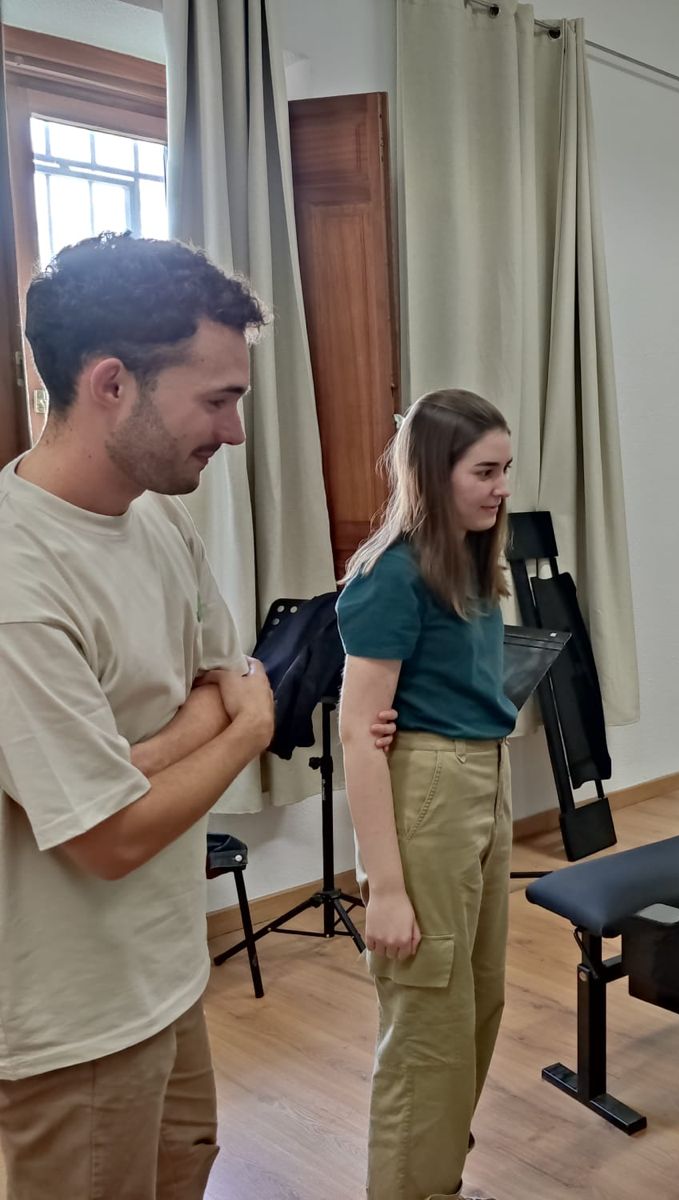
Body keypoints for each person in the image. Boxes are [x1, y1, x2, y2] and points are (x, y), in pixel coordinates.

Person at [0, 233, 276, 1200]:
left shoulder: (160, 518)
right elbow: (110, 838)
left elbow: (225, 669)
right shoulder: (17, 579)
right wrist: (239, 732)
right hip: (72, 1022)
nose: (234, 432)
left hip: (166, 971)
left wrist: (127, 757)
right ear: (112, 384)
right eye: (218, 399)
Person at [337, 388, 521, 1200]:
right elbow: (357, 735)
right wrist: (384, 888)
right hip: (432, 791)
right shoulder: (392, 575)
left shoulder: (473, 558)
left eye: (506, 469)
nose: (501, 487)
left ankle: (436, 1176)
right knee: (427, 1026)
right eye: (484, 471)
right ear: (433, 473)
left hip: (483, 775)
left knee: (478, 1002)